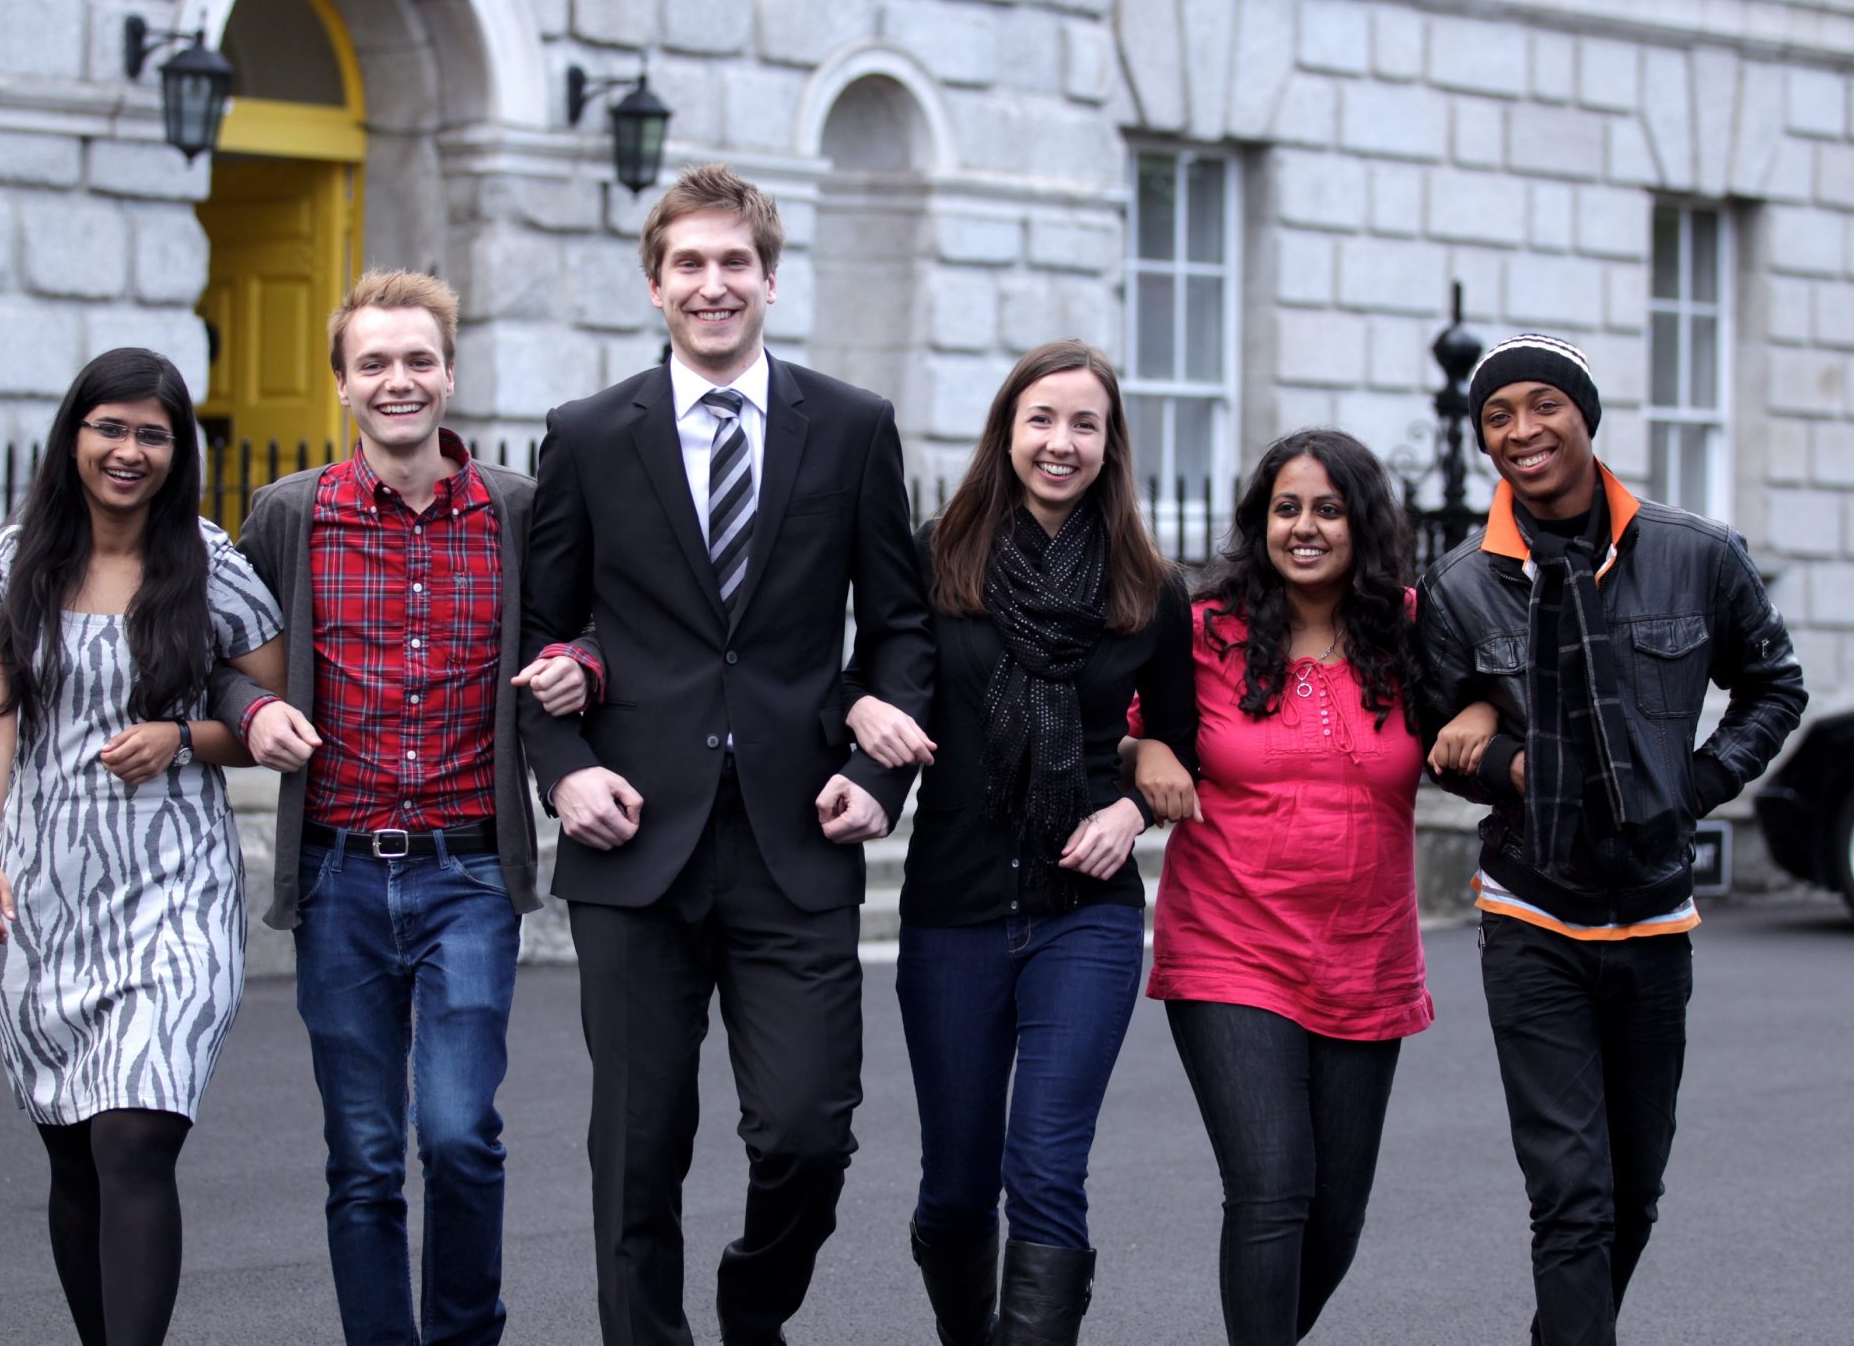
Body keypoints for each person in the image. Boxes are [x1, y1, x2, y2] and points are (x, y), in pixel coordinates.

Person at [517, 163, 935, 1346]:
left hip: (794, 837)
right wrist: (564, 769)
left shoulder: (849, 426)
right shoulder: (589, 436)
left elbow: (897, 628)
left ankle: (753, 1307)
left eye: (733, 262)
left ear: (768, 276)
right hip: (632, 836)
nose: (713, 284)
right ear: (654, 285)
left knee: (807, 1130)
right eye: (688, 264)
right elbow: (540, 640)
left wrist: (880, 770)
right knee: (636, 1149)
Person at [208, 268, 596, 1344]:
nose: (398, 380)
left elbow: (600, 625)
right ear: (342, 384)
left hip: (469, 869)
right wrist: (250, 714)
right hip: (337, 872)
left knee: (461, 1133)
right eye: (373, 362)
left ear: (450, 373)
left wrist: (579, 664)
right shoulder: (292, 514)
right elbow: (219, 662)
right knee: (366, 1155)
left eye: (417, 359)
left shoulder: (518, 510)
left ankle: (464, 1333)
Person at [1415, 334, 1806, 1345]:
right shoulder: (1462, 585)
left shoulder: (1695, 552)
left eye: (1540, 406)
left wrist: (1697, 783)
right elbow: (1428, 728)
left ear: (1583, 416)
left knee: (1632, 1193)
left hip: (1650, 912)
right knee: (1572, 1198)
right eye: (1495, 417)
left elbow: (1773, 686)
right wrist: (1493, 757)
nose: (1518, 432)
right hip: (1529, 911)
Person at [835, 339, 1194, 1346]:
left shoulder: (1144, 584)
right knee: (955, 1188)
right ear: (1006, 430)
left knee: (1044, 1168)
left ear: (1109, 443)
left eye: (1084, 423)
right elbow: (863, 676)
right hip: (951, 907)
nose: (1060, 442)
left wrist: (1129, 810)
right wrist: (863, 714)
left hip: (1085, 912)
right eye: (1040, 419)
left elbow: (1177, 735)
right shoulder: (933, 554)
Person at [1125, 428, 1496, 1346]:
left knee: (1334, 1221)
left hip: (1367, 961)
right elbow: (1118, 725)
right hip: (1230, 948)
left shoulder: (1413, 630)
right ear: (1261, 523)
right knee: (1272, 1189)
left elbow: (1497, 692)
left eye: (1327, 509)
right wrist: (1153, 747)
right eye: (1287, 508)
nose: (1305, 527)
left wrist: (1485, 708)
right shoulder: (1206, 629)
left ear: (1362, 525)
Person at [0, 347, 287, 1346]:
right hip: (44, 892)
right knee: (74, 1154)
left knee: (135, 1133)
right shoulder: (8, 563)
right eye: (111, 426)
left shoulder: (211, 560)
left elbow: (271, 717)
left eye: (152, 432)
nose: (129, 450)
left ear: (177, 449)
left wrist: (184, 735)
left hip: (173, 886)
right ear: (74, 435)